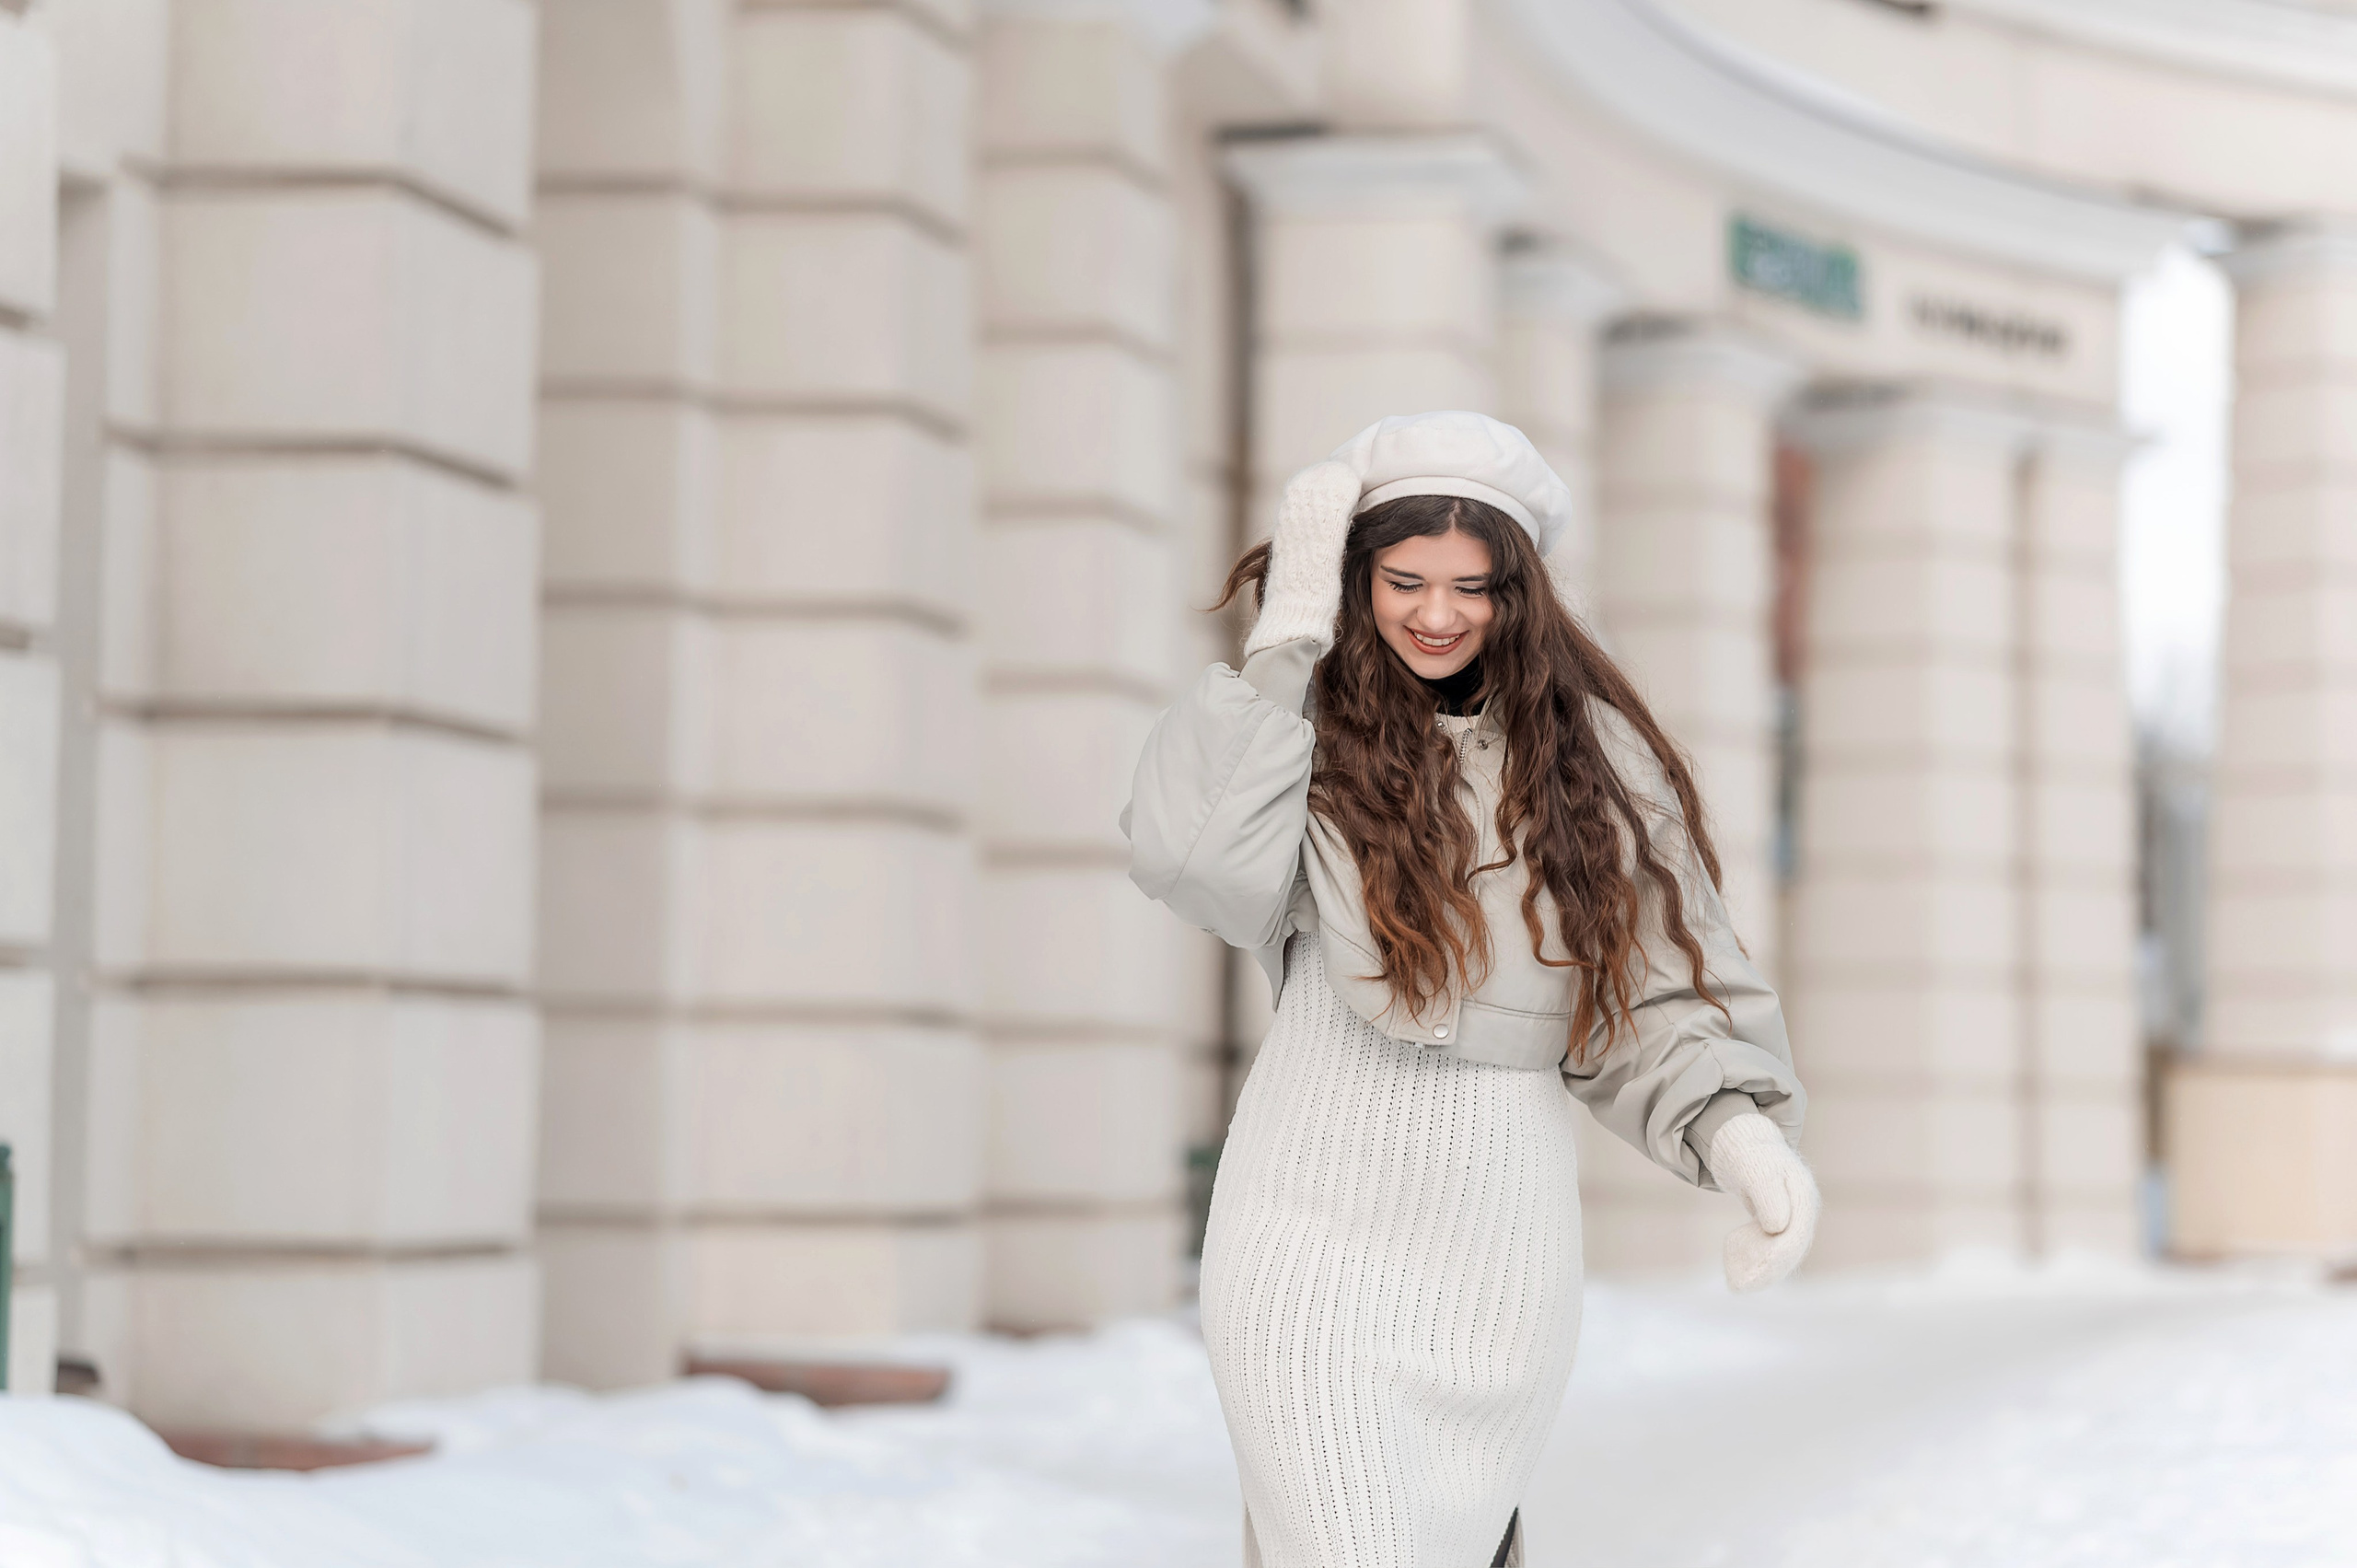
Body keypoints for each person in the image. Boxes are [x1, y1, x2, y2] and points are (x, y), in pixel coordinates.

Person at [1122, 412, 1819, 1568]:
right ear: (1354, 576)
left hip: (1496, 1253)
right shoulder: (1298, 733)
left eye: (1473, 586)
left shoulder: (1592, 764)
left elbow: (1653, 990)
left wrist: (1741, 1139)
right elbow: (1190, 858)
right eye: (1403, 580)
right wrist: (1286, 638)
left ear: (1519, 593)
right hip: (1303, 1229)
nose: (1438, 614)